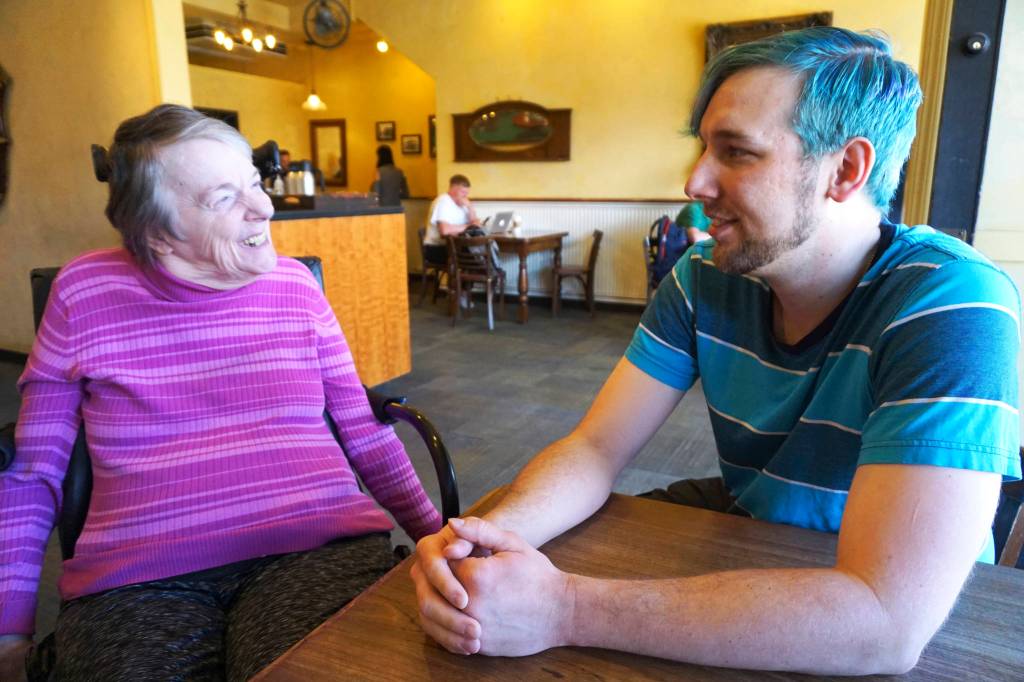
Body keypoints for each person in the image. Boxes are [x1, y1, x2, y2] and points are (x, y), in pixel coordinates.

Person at [411, 27, 1020, 675]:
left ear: (844, 170)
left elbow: (886, 624)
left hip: (918, 623)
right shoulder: (704, 277)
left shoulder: (952, 302)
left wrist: (564, 608)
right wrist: (486, 546)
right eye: (703, 147)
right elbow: (595, 448)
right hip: (752, 540)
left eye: (736, 151)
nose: (693, 181)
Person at [0, 104, 441, 681]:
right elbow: (33, 469)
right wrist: (10, 631)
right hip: (139, 576)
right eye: (224, 197)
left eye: (255, 182)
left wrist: (438, 538)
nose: (264, 208)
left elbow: (364, 431)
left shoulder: (296, 288)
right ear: (157, 234)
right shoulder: (84, 292)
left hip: (315, 547)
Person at [423, 174, 479, 265]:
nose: (465, 196)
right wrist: (469, 226)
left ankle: (487, 272)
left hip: (455, 246)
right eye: (463, 192)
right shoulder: (443, 201)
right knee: (477, 257)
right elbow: (445, 230)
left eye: (467, 193)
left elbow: (476, 224)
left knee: (481, 254)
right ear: (453, 189)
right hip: (436, 249)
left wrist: (470, 207)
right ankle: (485, 272)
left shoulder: (462, 203)